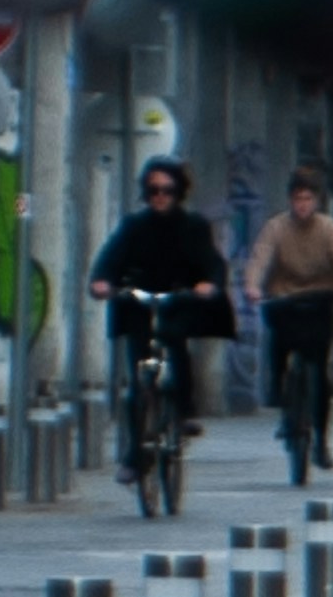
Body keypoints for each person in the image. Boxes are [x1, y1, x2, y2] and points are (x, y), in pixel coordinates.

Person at [89, 156, 232, 430]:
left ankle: (184, 411)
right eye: (154, 190)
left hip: (177, 300)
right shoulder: (134, 226)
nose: (160, 197)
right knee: (137, 370)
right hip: (139, 302)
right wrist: (102, 281)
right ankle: (135, 443)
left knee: (177, 347)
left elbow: (212, 262)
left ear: (178, 192)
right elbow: (110, 257)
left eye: (168, 190)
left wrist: (209, 285)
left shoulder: (193, 226)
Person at [243, 167, 333, 470]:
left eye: (308, 199)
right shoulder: (276, 227)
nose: (303, 205)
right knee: (278, 345)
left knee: (319, 369)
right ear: (290, 200)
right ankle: (282, 401)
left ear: (316, 200)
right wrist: (253, 286)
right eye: (298, 199)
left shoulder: (327, 228)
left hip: (320, 298)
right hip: (284, 298)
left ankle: (320, 440)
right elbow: (260, 257)